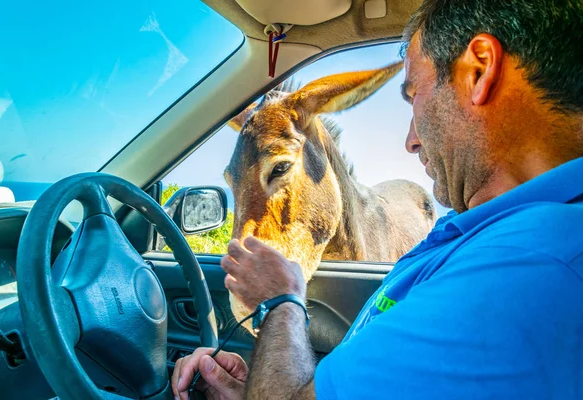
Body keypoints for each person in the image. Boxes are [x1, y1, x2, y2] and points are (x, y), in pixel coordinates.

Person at [172, 0, 583, 398]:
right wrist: (258, 388)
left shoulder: (526, 266)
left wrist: (280, 301)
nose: (410, 141)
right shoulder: (484, 234)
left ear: (479, 70)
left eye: (414, 94)